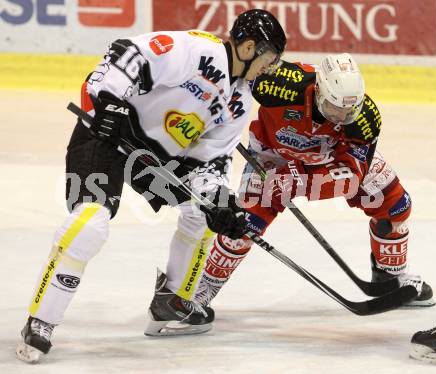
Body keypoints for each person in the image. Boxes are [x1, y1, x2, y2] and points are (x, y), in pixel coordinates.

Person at [16, 9, 287, 363]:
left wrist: (218, 201)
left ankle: (172, 301)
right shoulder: (197, 50)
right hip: (110, 134)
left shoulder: (239, 101)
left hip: (156, 157)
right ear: (249, 47)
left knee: (202, 213)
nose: (272, 67)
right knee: (91, 223)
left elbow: (211, 162)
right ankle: (41, 321)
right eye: (270, 58)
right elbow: (127, 54)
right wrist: (109, 100)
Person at [192, 53, 435, 311]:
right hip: (271, 157)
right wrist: (203, 111)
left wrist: (299, 181)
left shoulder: (365, 119)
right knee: (242, 226)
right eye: (334, 108)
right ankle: (198, 293)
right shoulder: (278, 83)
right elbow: (231, 73)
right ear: (319, 91)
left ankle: (389, 277)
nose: (341, 117)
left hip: (330, 158)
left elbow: (353, 176)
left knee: (394, 203)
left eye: (349, 111)